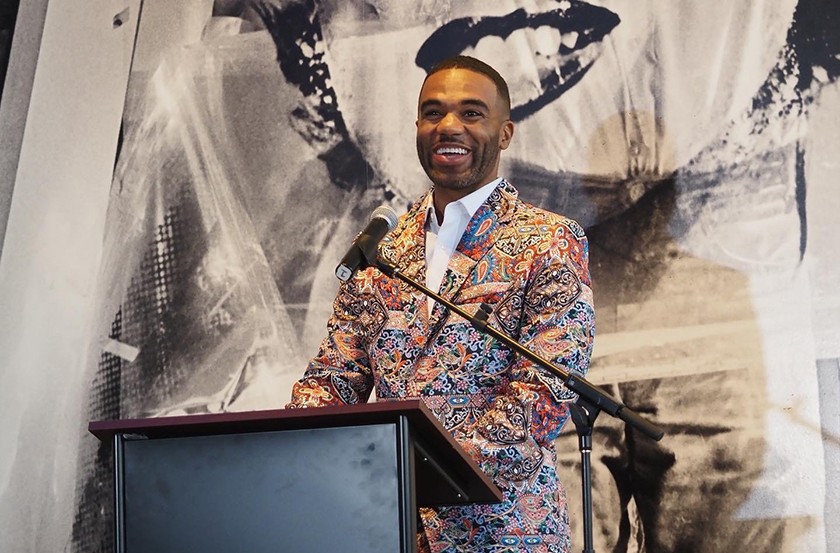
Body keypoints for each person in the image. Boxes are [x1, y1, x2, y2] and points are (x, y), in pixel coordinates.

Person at [287, 55, 596, 553]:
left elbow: (543, 390)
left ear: (505, 132)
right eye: (433, 113)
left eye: (472, 113)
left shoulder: (551, 241)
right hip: (385, 528)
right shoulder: (380, 249)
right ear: (417, 127)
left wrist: (416, 475)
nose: (448, 126)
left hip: (503, 534)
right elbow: (334, 376)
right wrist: (298, 450)